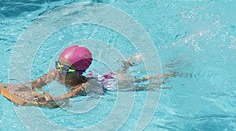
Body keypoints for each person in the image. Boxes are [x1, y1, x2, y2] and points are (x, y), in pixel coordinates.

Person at [28, 45, 175, 104]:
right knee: (121, 73)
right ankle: (128, 64)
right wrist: (22, 88)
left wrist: (50, 98)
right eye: (58, 65)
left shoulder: (85, 85)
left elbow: (68, 97)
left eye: (65, 69)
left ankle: (171, 73)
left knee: (145, 84)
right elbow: (34, 84)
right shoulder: (56, 73)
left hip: (110, 84)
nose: (59, 70)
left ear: (78, 73)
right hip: (102, 75)